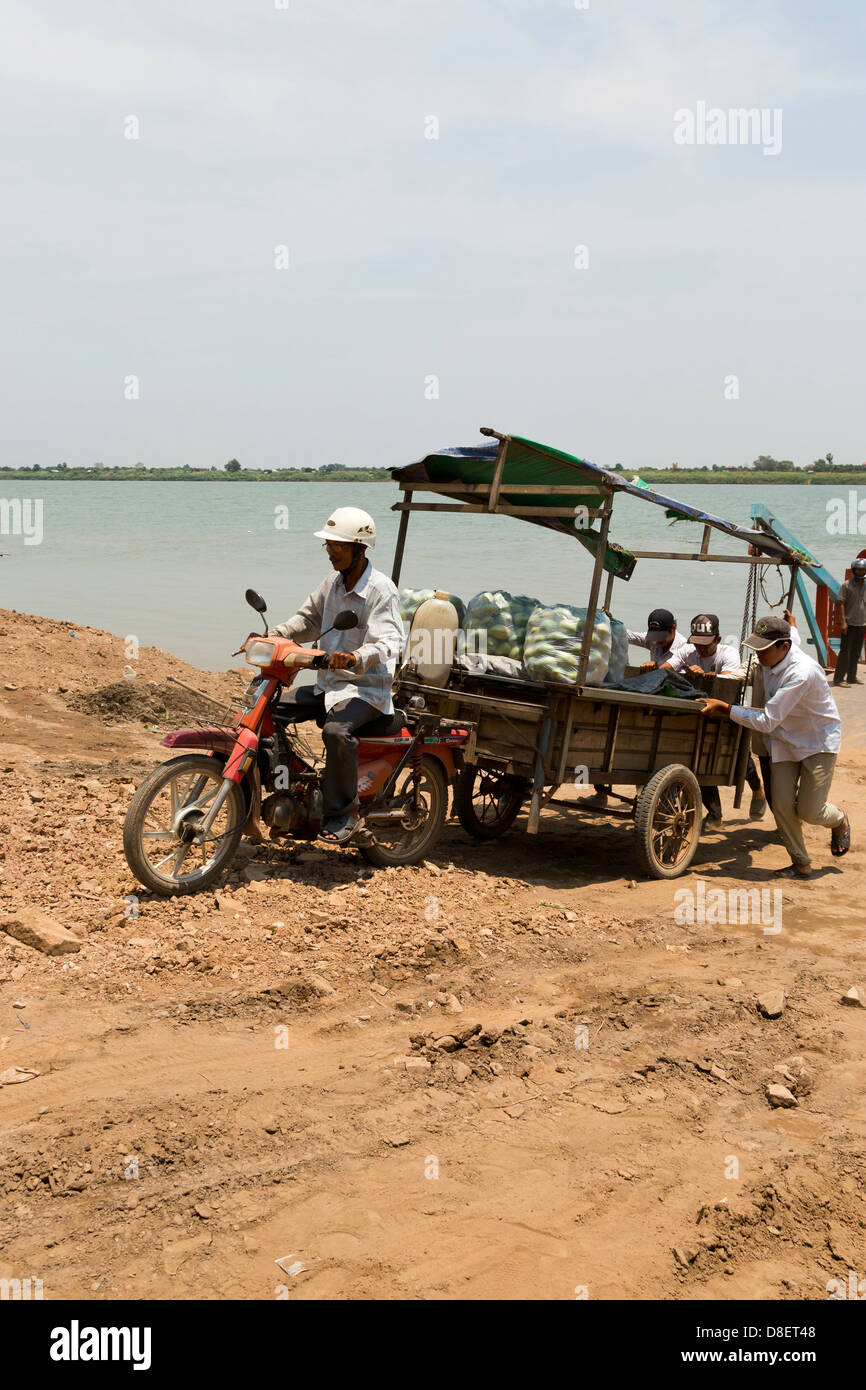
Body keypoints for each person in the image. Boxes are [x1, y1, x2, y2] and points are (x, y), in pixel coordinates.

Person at [269, 507, 404, 844]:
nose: (330, 550)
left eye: (338, 545)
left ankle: (345, 812)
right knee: (271, 713)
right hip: (328, 686)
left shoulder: (381, 591)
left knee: (336, 730)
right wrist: (274, 636)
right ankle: (289, 786)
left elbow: (390, 641)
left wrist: (356, 657)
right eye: (328, 544)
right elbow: (308, 620)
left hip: (366, 690)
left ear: (360, 548)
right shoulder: (332, 583)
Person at [699, 614, 850, 879]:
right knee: (780, 803)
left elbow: (767, 720)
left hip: (817, 741)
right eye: (756, 648)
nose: (758, 655)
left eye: (764, 649)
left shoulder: (801, 673)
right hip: (784, 740)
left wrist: (725, 708)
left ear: (784, 647)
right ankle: (801, 863)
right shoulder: (775, 654)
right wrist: (791, 622)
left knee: (810, 810)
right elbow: (794, 634)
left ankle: (838, 819)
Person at [584, 605, 686, 810]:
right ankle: (602, 792)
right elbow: (627, 636)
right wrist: (610, 622)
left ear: (674, 628)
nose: (656, 641)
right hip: (652, 702)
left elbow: (669, 671)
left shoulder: (685, 647)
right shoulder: (654, 639)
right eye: (653, 636)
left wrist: (654, 669)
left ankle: (657, 803)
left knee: (657, 759)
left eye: (662, 635)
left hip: (674, 704)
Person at [660, 614, 754, 825]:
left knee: (742, 761)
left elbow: (729, 684)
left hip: (727, 713)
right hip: (701, 712)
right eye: (697, 644)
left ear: (718, 640)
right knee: (699, 758)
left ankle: (758, 790)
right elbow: (663, 671)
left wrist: (715, 678)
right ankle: (715, 815)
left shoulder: (728, 653)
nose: (700, 650)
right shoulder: (687, 651)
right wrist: (685, 674)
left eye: (706, 644)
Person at [833, 557, 866, 687]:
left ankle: (852, 677)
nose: (861, 572)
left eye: (863, 569)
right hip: (849, 623)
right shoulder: (846, 585)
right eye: (858, 569)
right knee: (845, 652)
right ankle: (839, 679)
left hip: (862, 623)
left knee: (856, 652)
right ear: (854, 570)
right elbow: (841, 603)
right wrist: (843, 622)